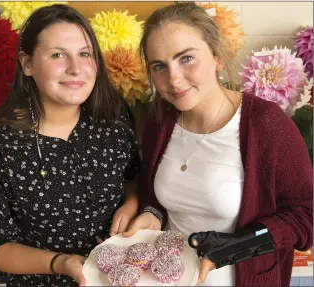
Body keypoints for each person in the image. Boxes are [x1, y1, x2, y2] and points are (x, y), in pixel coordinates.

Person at [123, 3, 313, 287]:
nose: (173, 80)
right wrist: (150, 215)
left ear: (216, 56)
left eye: (186, 58)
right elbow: (156, 196)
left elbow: (306, 216)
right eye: (159, 66)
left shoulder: (266, 124)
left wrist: (242, 243)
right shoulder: (159, 120)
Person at [0, 4, 140, 287]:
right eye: (58, 55)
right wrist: (60, 262)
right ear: (27, 64)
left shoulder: (113, 120)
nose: (76, 68)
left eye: (85, 54)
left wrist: (130, 205)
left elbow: (132, 178)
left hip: (120, 278)